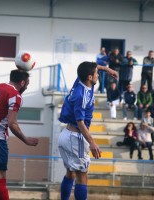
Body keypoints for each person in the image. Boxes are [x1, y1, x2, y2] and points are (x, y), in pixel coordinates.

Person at [0, 69, 39, 200]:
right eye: (27, 84)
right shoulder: (15, 95)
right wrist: (26, 140)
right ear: (22, 82)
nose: (26, 87)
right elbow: (12, 123)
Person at [58, 61, 118, 200]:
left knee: (71, 173)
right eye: (96, 73)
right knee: (82, 175)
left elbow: (95, 66)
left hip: (66, 134)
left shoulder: (80, 80)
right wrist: (92, 142)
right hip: (76, 136)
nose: (98, 74)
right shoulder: (82, 95)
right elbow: (80, 122)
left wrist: (108, 69)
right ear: (90, 77)